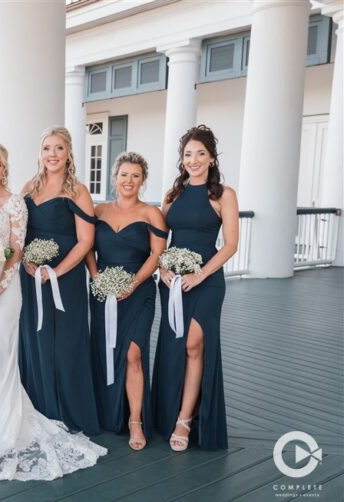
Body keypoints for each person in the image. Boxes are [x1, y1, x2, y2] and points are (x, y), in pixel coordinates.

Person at [0, 142, 106, 481]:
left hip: (6, 290)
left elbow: (17, 248)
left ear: (6, 169)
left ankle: (5, 419)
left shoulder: (16, 202)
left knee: (4, 351)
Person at [152, 125, 238, 451]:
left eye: (200, 153)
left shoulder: (224, 195)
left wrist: (200, 275)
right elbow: (159, 240)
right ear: (182, 159)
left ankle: (185, 420)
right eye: (188, 154)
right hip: (173, 282)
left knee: (194, 344)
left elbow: (230, 245)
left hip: (207, 281)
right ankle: (168, 410)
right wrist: (161, 268)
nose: (194, 160)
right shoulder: (172, 196)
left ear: (212, 158)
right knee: (177, 348)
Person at [19, 126, 101, 435]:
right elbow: (19, 232)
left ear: (68, 153)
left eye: (58, 148)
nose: (52, 154)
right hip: (30, 276)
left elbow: (85, 241)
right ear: (40, 154)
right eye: (47, 148)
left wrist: (56, 272)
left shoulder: (78, 190)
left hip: (64, 279)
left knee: (65, 345)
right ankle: (38, 408)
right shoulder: (28, 186)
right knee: (35, 339)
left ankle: (68, 411)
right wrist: (28, 263)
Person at [86, 152, 167, 451]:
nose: (128, 180)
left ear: (143, 180)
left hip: (139, 291)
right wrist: (96, 278)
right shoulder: (99, 210)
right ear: (114, 178)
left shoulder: (151, 213)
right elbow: (87, 248)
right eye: (124, 175)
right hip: (102, 292)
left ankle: (135, 420)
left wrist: (132, 284)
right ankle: (107, 412)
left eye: (135, 175)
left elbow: (157, 255)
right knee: (105, 351)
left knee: (133, 354)